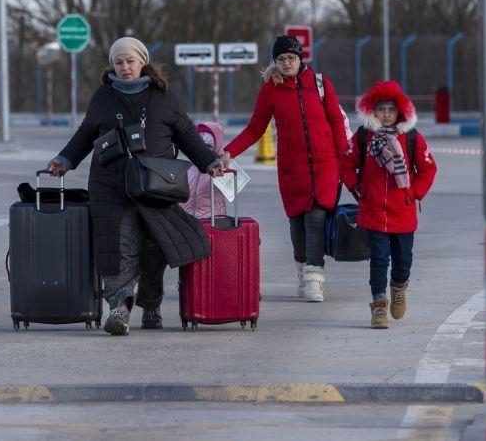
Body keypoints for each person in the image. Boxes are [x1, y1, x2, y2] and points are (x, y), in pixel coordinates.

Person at [47, 37, 225, 336]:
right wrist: (64, 159)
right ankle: (120, 307)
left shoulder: (163, 96)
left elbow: (186, 133)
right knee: (119, 246)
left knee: (154, 249)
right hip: (111, 186)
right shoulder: (103, 97)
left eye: (130, 61)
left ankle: (151, 304)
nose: (125, 67)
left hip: (157, 187)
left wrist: (209, 161)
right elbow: (85, 134)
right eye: (119, 62)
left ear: (142, 62)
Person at [221, 35, 348, 302]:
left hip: (325, 164)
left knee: (316, 217)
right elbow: (255, 128)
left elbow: (336, 122)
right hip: (292, 167)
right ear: (275, 62)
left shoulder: (321, 84)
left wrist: (345, 159)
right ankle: (302, 269)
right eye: (281, 59)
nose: (286, 63)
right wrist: (229, 152)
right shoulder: (271, 89)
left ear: (300, 59)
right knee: (297, 221)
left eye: (291, 58)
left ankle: (315, 278)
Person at [340, 81, 437, 329]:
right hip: (373, 210)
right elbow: (346, 163)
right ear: (372, 111)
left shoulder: (411, 137)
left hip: (402, 210)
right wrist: (357, 188)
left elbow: (427, 168)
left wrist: (414, 193)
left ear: (400, 112)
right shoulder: (363, 136)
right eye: (380, 109)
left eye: (390, 110)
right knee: (379, 259)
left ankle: (399, 286)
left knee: (403, 259)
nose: (385, 115)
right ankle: (379, 306)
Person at [181, 121, 228, 220]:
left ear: (217, 145)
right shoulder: (188, 169)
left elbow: (232, 190)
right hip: (189, 220)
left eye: (209, 146)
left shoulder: (222, 169)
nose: (204, 151)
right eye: (201, 148)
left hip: (213, 221)